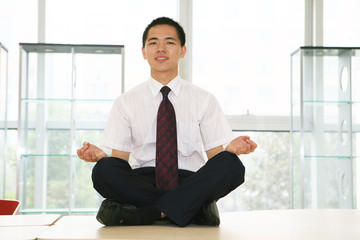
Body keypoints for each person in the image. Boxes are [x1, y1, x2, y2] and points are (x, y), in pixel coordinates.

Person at [77, 16, 257, 227]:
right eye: (153, 43)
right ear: (144, 52)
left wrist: (230, 150)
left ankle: (147, 213)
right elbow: (120, 161)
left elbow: (216, 159)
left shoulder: (204, 99)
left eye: (169, 42)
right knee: (104, 169)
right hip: (141, 182)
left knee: (231, 165)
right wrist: (102, 157)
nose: (161, 48)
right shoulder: (125, 102)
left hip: (191, 181)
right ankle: (191, 209)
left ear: (182, 51)